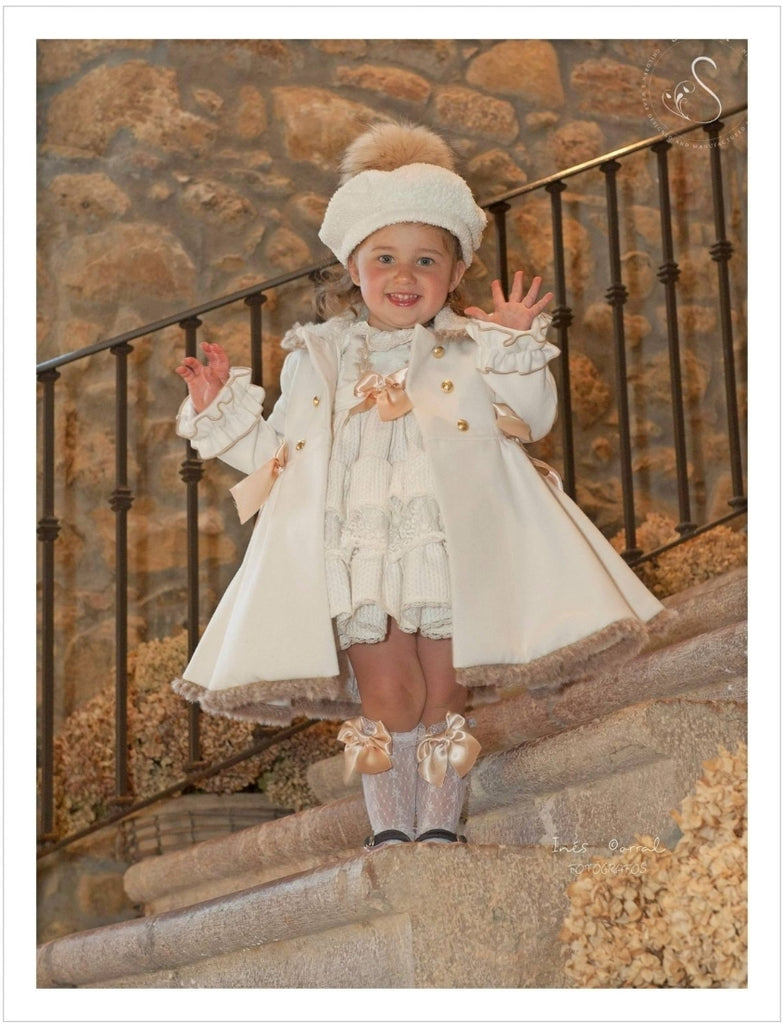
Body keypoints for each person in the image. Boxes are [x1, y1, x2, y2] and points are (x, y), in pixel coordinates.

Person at [174, 122, 664, 848]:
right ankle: (389, 830)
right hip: (358, 545)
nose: (404, 276)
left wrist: (513, 349)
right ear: (354, 267)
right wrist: (221, 410)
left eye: (425, 259)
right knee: (387, 691)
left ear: (455, 273)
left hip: (449, 539)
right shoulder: (318, 355)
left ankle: (437, 824)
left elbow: (530, 420)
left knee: (443, 688)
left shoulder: (472, 345)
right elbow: (278, 456)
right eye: (385, 258)